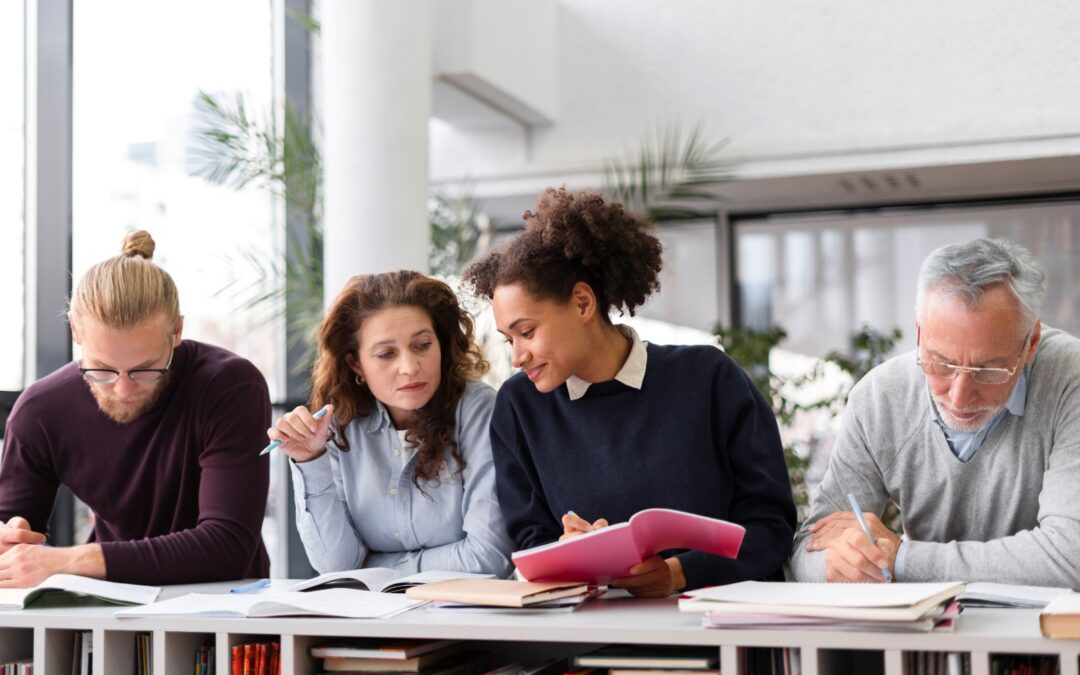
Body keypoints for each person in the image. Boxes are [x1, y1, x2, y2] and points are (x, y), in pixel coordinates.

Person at [463, 187, 796, 598]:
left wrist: (678, 572)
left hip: (719, 624)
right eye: (508, 339)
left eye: (527, 332)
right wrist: (568, 554)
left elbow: (771, 526)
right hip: (593, 634)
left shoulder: (709, 379)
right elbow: (529, 543)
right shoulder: (519, 407)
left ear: (583, 303)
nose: (517, 356)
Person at [791, 238, 1080, 587]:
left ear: (1031, 343)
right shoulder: (879, 397)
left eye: (988, 370)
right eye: (941, 363)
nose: (959, 397)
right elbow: (809, 550)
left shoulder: (1070, 379)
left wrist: (901, 558)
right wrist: (838, 563)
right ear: (919, 333)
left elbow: (1069, 557)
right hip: (924, 629)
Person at [0, 231, 271, 587]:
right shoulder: (40, 410)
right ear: (75, 332)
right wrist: (11, 541)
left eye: (145, 370)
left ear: (176, 332)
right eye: (102, 370)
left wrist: (66, 560)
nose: (123, 389)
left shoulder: (230, 386)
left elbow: (227, 546)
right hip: (108, 609)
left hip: (224, 612)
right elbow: (12, 545)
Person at [269, 271, 513, 576]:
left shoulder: (478, 408)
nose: (410, 368)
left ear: (442, 343)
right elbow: (336, 566)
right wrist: (309, 460)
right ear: (355, 363)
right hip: (373, 621)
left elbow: (488, 558)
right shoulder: (336, 425)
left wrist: (375, 567)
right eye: (386, 354)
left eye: (423, 345)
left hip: (463, 617)